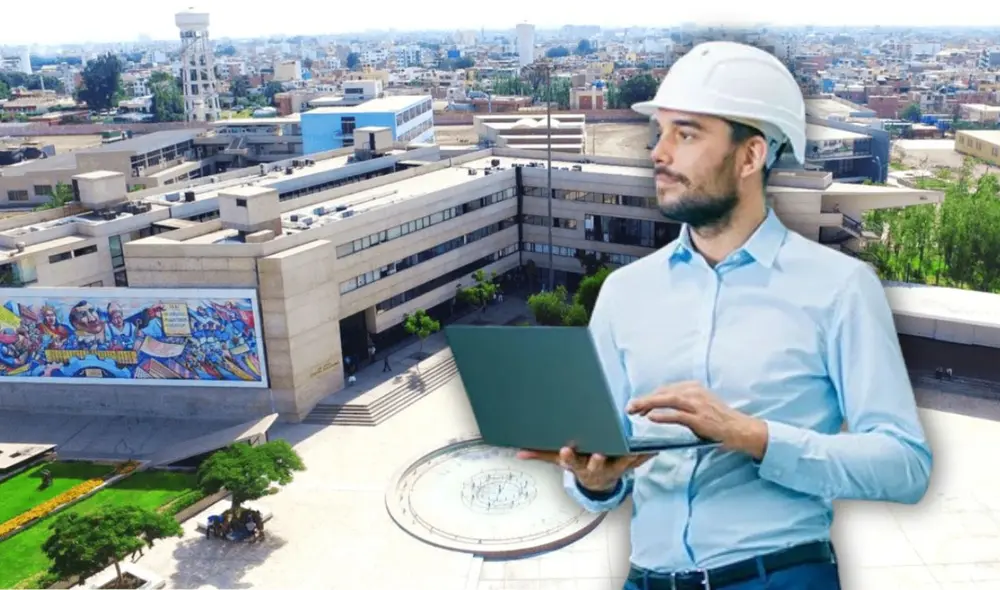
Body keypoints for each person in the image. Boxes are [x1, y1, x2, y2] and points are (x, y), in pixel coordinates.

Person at [518, 41, 932, 590]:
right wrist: (595, 479)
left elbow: (905, 465)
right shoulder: (625, 293)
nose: (658, 153)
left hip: (778, 575)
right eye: (659, 133)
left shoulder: (839, 289)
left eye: (685, 134)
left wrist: (752, 435)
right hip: (647, 579)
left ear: (750, 156)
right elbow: (607, 450)